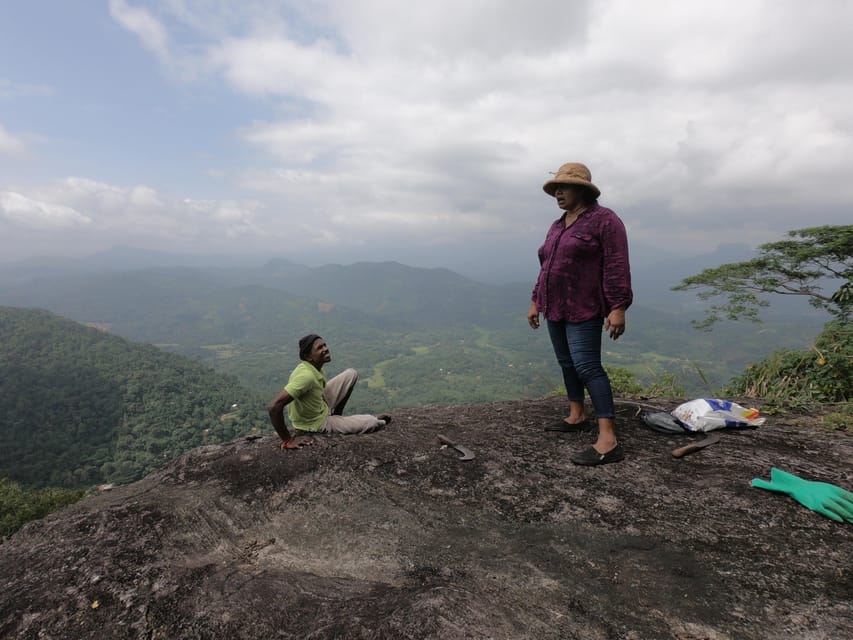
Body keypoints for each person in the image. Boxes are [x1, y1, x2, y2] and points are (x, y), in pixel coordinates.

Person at [527, 162, 633, 466]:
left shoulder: (605, 221)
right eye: (555, 188)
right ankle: (576, 415)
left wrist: (618, 306)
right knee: (566, 362)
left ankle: (608, 440)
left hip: (584, 306)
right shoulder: (558, 224)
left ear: (582, 189)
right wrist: (536, 301)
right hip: (554, 306)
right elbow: (546, 266)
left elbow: (616, 264)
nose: (558, 193)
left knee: (587, 365)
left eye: (565, 187)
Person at [268, 334, 392, 449]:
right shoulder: (306, 377)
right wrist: (287, 440)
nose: (326, 349)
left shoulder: (310, 367)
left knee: (351, 373)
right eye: (319, 348)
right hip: (316, 423)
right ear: (309, 357)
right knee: (370, 422)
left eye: (325, 345)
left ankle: (337, 416)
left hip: (319, 406)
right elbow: (274, 406)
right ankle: (375, 421)